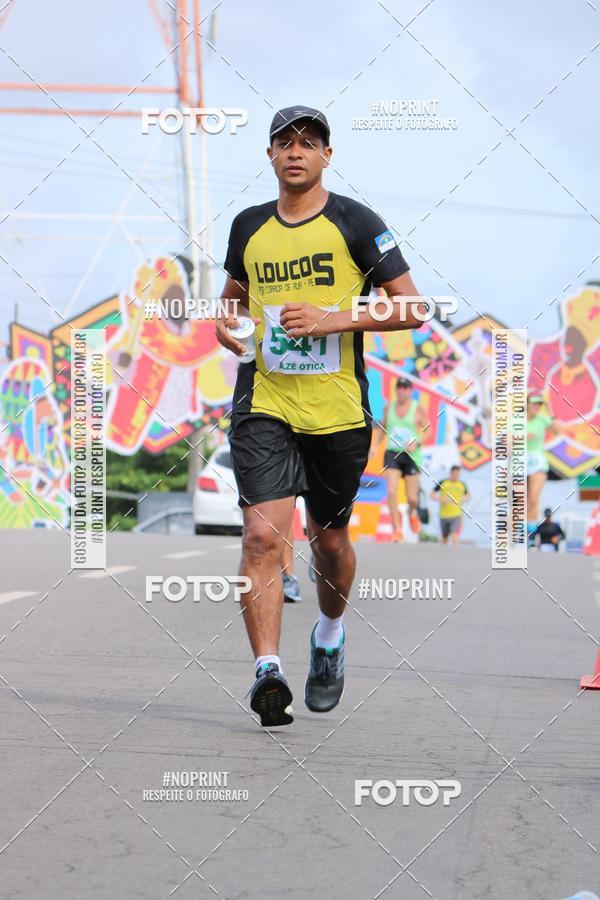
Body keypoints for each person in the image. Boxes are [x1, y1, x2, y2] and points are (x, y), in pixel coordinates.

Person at [216, 105, 423, 727]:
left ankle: (329, 636)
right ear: (271, 156)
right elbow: (231, 305)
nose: (296, 151)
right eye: (284, 142)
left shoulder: (357, 222)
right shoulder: (249, 226)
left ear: (327, 155)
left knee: (329, 543)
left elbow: (413, 309)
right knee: (260, 538)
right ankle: (267, 672)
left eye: (309, 142)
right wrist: (228, 330)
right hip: (265, 403)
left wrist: (337, 318)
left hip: (337, 411)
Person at [370, 376, 428, 540]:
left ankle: (412, 513)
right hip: (393, 453)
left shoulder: (418, 408)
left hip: (411, 455)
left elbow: (428, 429)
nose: (401, 390)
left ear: (410, 391)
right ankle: (397, 528)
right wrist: (374, 445)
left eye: (405, 387)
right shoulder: (389, 407)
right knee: (391, 490)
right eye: (399, 387)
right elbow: (383, 427)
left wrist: (418, 441)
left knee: (412, 498)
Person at [527, 393, 566, 543]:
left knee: (533, 499)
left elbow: (557, 431)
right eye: (534, 403)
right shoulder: (517, 420)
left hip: (537, 462)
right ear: (527, 404)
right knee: (520, 501)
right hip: (519, 461)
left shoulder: (542, 419)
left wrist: (550, 410)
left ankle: (530, 535)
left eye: (540, 404)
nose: (537, 406)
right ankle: (520, 531)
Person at [430, 465, 469, 545]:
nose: (455, 476)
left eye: (457, 475)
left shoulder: (462, 484)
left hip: (456, 515)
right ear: (450, 473)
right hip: (444, 515)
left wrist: (464, 498)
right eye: (454, 474)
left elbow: (468, 495)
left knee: (455, 534)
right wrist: (440, 499)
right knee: (444, 537)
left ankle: (456, 554)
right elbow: (432, 494)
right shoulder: (443, 482)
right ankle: (444, 555)